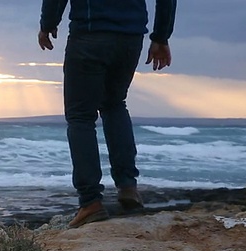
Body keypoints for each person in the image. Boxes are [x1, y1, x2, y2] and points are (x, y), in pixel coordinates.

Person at [38, 0, 177, 228]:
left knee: (81, 117)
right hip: (130, 37)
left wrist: (48, 23)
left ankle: (90, 202)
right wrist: (161, 37)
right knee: (114, 105)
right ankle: (128, 187)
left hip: (89, 34)